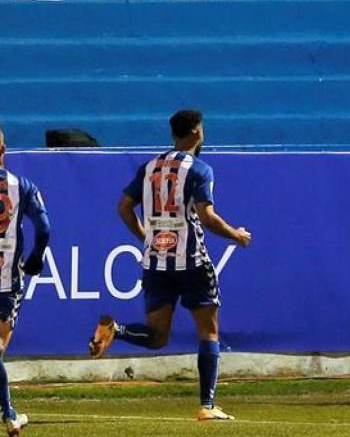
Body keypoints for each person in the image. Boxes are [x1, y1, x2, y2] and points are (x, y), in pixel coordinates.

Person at [87, 110, 252, 422]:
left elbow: (123, 206)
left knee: (157, 336)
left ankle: (115, 330)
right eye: (202, 129)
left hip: (156, 263)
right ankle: (207, 404)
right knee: (209, 331)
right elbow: (207, 217)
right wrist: (236, 236)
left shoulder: (149, 167)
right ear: (195, 133)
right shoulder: (200, 169)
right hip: (191, 262)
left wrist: (145, 237)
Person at [0, 126, 50, 436]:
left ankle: (9, 412)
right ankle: (9, 414)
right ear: (3, 151)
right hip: (7, 281)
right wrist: (36, 256)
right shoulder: (23, 186)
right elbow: (44, 228)